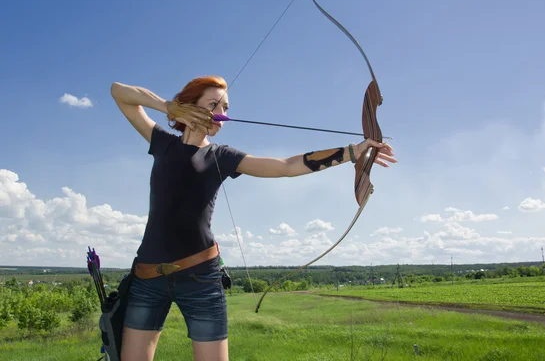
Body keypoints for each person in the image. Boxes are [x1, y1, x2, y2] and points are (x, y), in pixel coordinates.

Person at [110, 75, 396, 361]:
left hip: (199, 276)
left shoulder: (221, 155)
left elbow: (285, 166)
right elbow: (119, 92)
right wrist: (167, 106)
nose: (222, 113)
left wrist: (350, 153)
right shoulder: (163, 144)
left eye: (225, 106)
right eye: (214, 104)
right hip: (148, 276)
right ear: (189, 105)